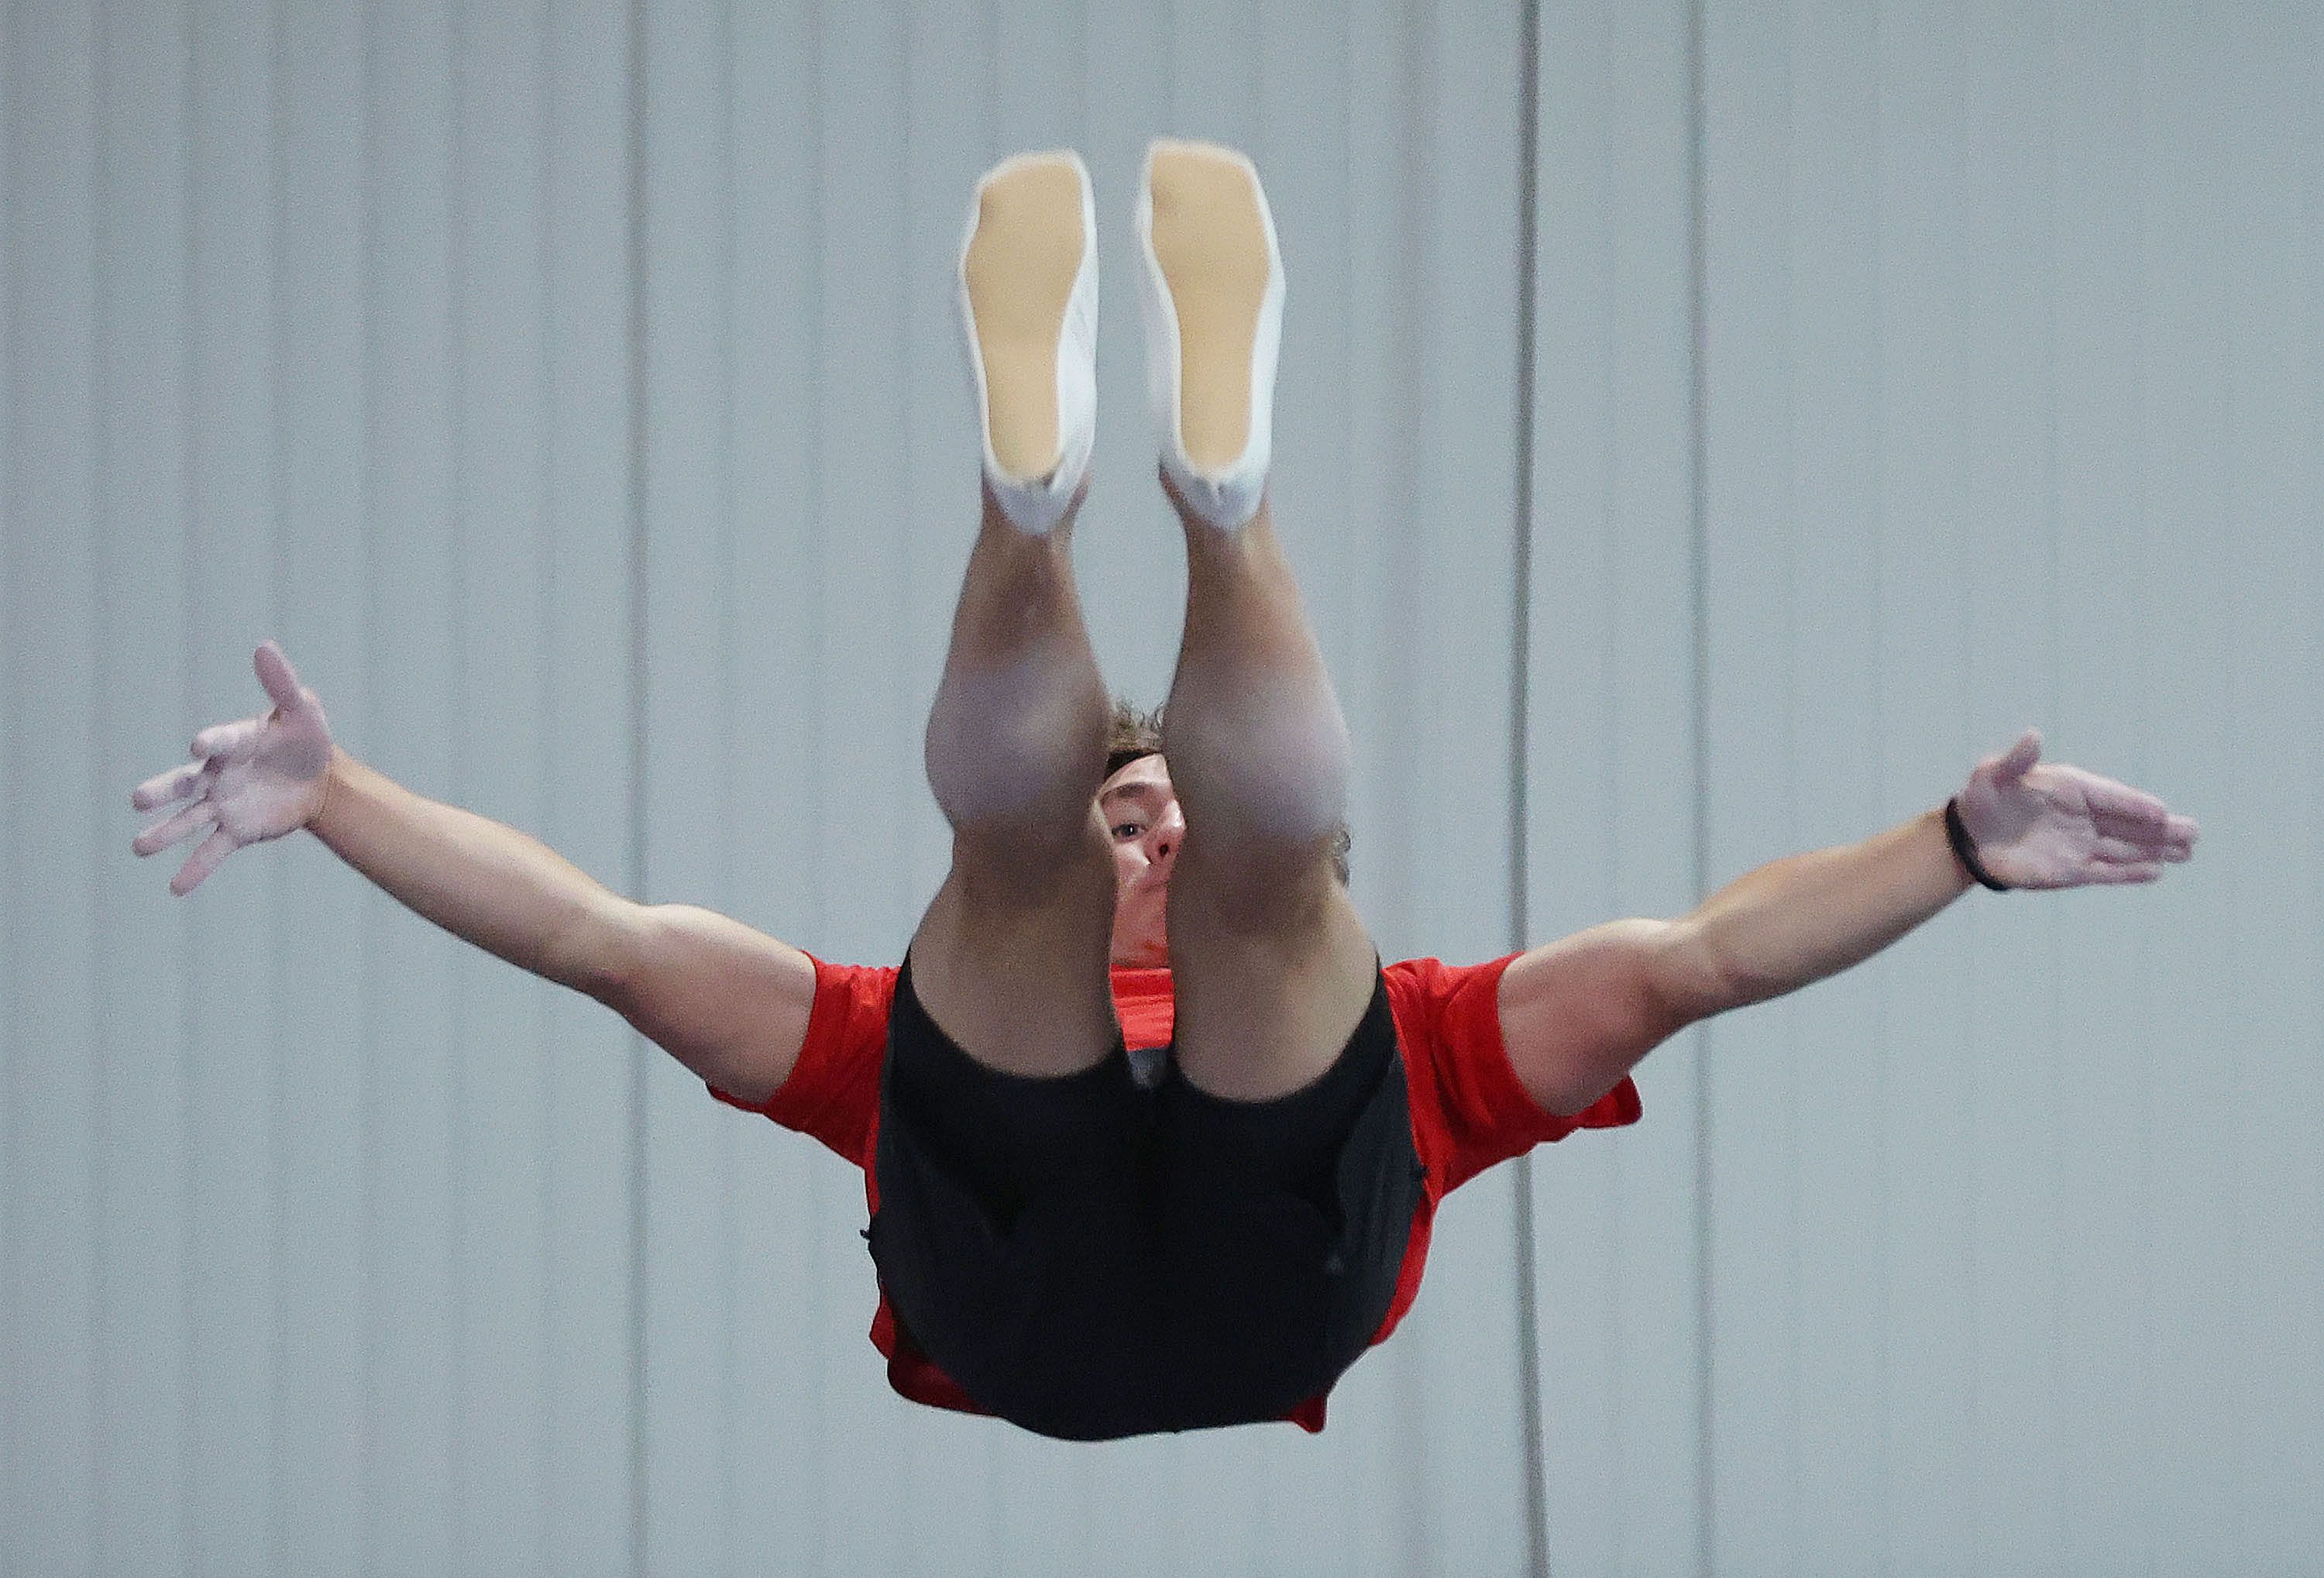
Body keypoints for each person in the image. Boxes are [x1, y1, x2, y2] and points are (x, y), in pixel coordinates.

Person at [131, 141, 2200, 1441]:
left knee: (1164, 890)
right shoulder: (1319, 1039)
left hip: (1053, 1298)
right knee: (1139, 883)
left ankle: (1103, 506)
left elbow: (1707, 957)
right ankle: (1174, 510)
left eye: (1159, 809)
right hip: (1181, 1295)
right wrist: (351, 798)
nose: (1159, 834)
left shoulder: (1381, 1036)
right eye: (1143, 813)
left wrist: (1951, 857)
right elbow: (590, 937)